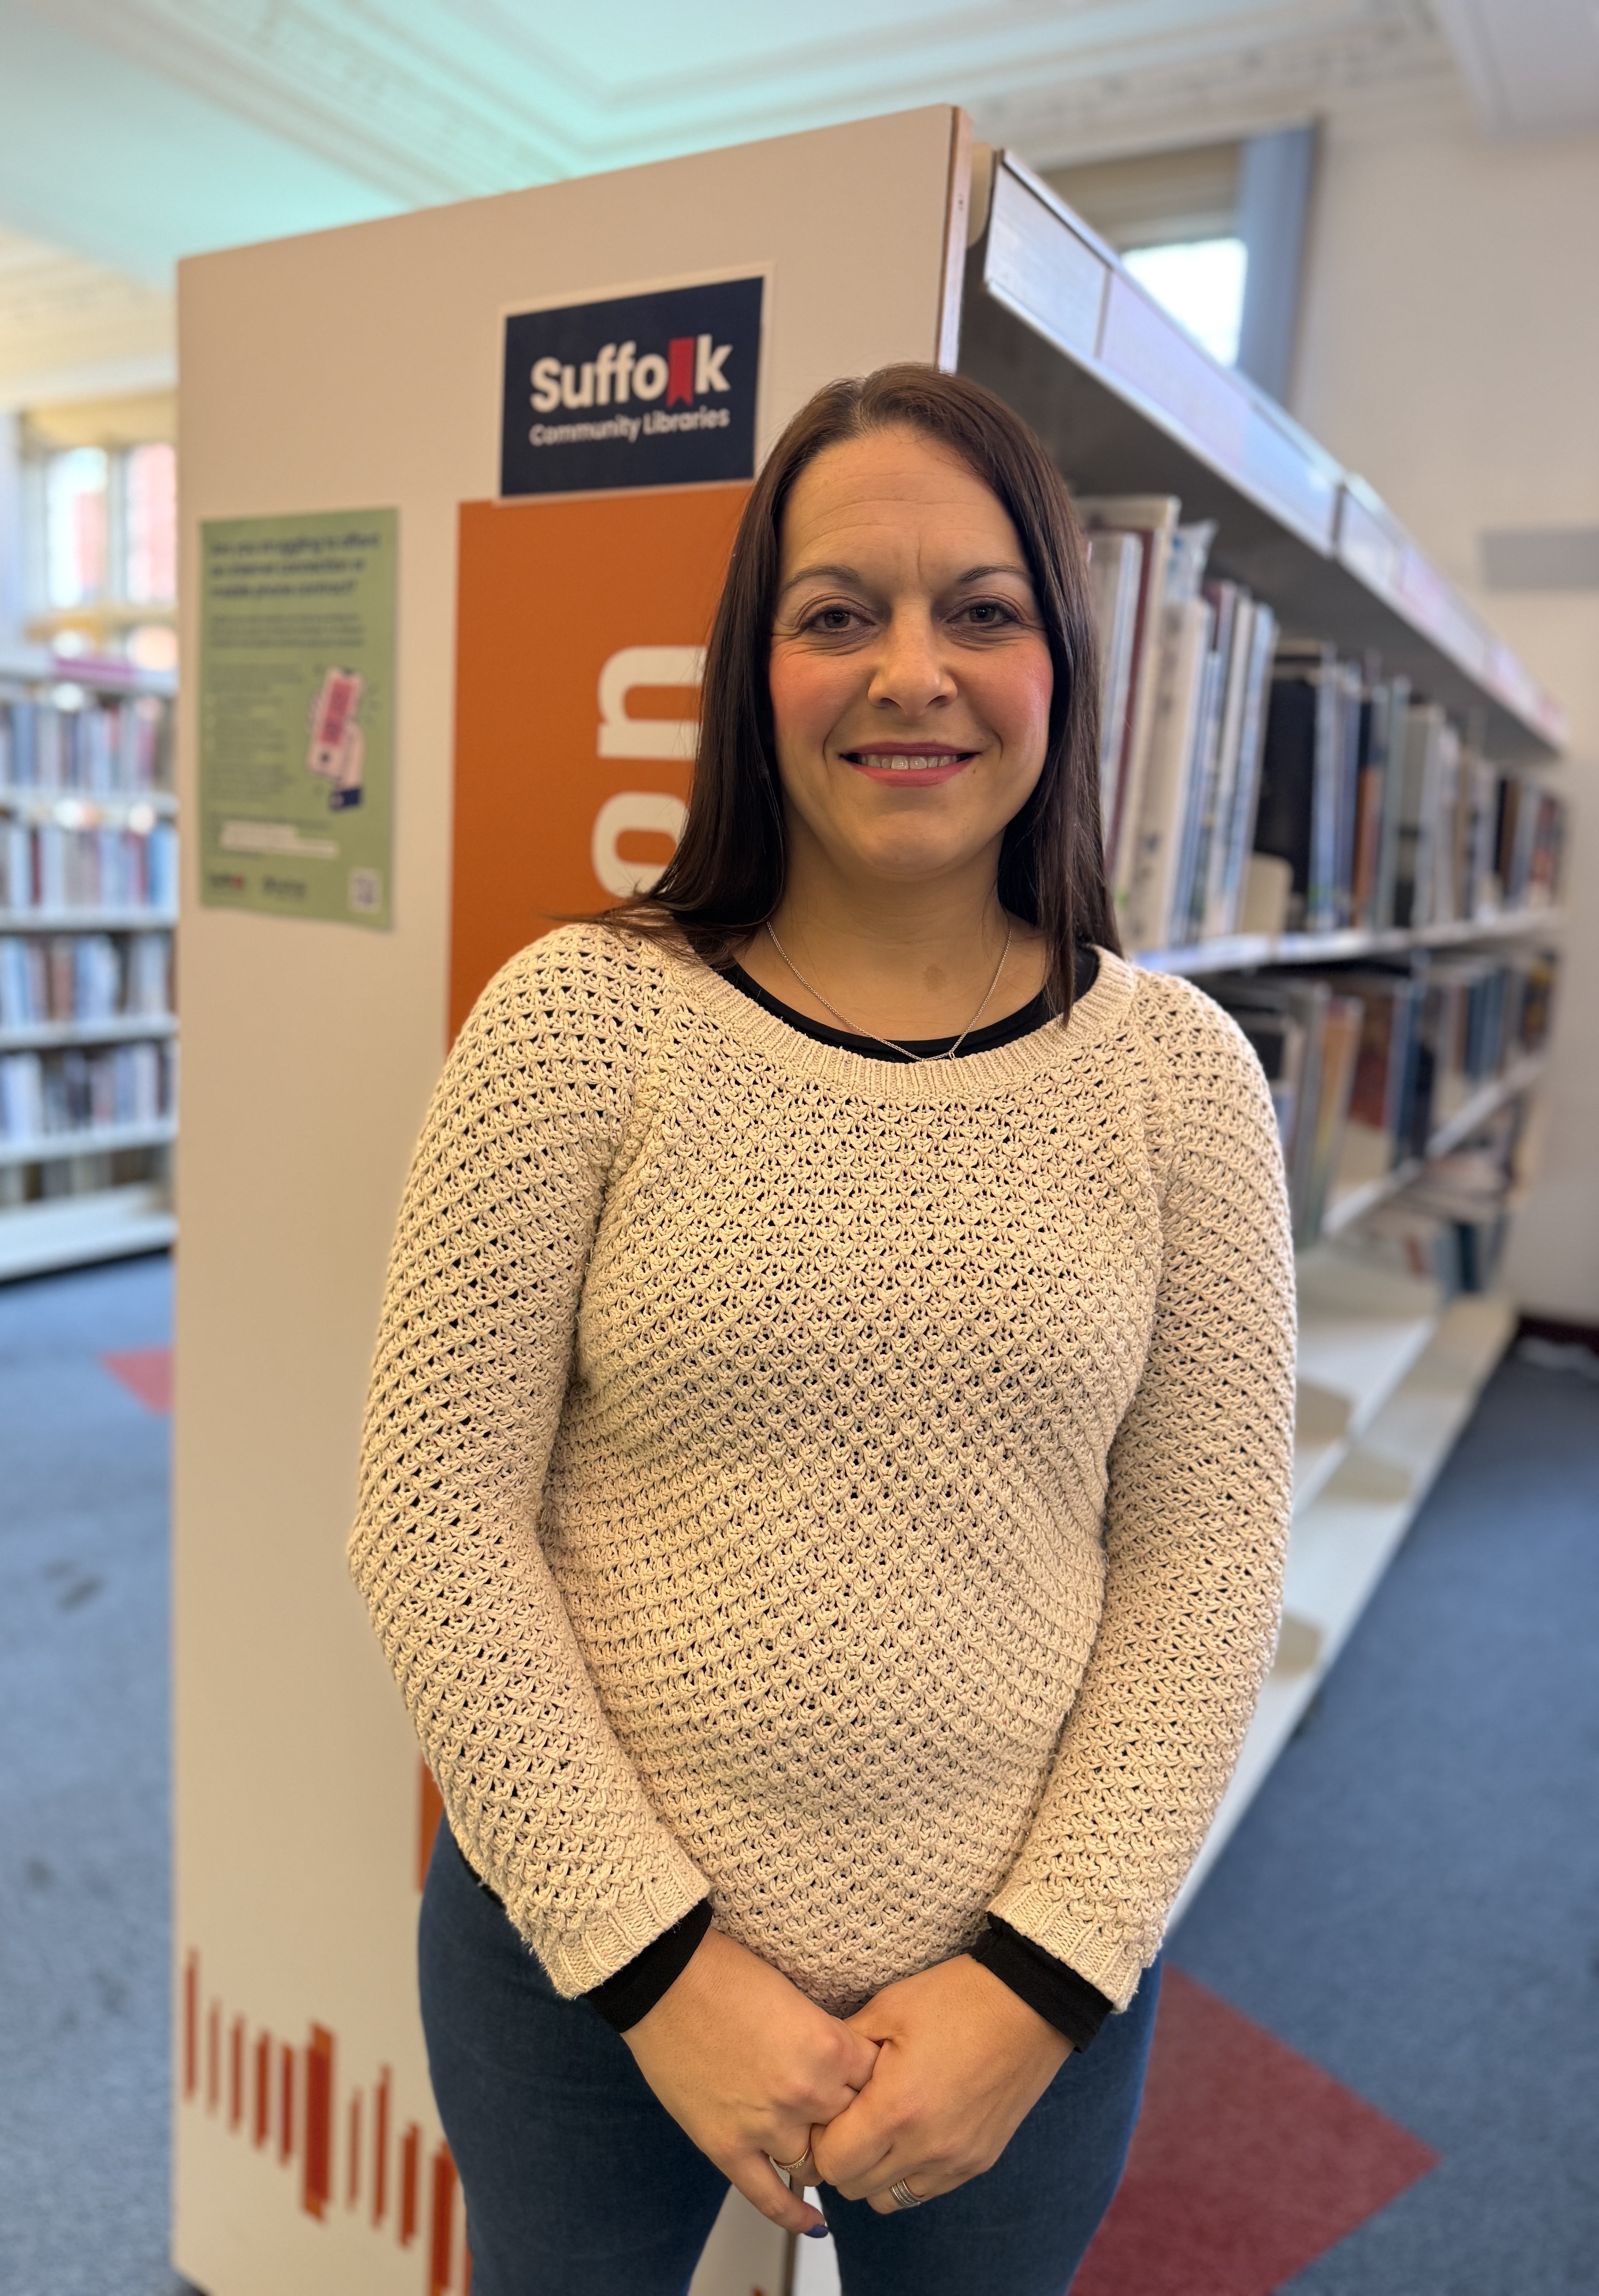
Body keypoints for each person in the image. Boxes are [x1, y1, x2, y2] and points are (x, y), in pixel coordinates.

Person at [351, 363, 1295, 2296]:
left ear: (1064, 661)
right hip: (582, 1969)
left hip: (1021, 1984)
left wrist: (1039, 1979)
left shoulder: (1179, 1080)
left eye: (982, 610)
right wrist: (658, 1966)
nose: (911, 672)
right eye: (838, 614)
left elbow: (1208, 1560)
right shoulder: (577, 1024)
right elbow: (432, 1519)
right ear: (752, 670)